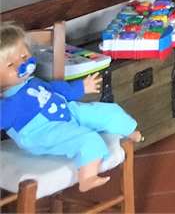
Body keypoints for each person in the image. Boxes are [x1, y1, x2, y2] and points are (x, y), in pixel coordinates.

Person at [0, 22, 142, 191]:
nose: (22, 65)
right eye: (10, 65)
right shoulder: (8, 105)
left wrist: (81, 87)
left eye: (24, 57)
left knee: (105, 111)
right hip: (42, 132)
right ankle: (87, 177)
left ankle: (128, 130)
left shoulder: (33, 81)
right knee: (87, 139)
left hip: (66, 111)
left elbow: (56, 89)